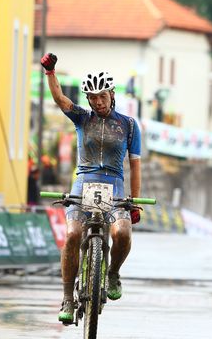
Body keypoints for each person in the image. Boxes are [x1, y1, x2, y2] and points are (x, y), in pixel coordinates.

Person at [41, 52, 142, 324]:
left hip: (115, 183)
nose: (98, 102)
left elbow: (135, 165)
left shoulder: (129, 126)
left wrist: (136, 201)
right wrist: (51, 72)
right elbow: (60, 99)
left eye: (102, 97)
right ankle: (67, 298)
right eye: (93, 97)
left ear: (112, 95)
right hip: (83, 181)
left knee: (121, 233)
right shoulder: (82, 119)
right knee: (73, 234)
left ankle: (113, 273)